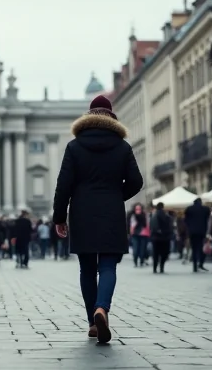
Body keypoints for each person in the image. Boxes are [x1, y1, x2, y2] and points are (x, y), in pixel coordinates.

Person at [52, 95, 144, 345]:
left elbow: (64, 185)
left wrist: (60, 217)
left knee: (86, 269)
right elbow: (137, 182)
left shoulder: (74, 146)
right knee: (107, 266)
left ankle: (92, 323)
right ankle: (102, 308)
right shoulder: (122, 146)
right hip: (111, 212)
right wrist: (117, 195)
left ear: (88, 116)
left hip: (81, 212)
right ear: (112, 116)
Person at [184, 196, 210, 273]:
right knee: (202, 248)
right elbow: (208, 219)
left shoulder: (189, 209)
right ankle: (201, 263)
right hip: (202, 231)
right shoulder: (205, 209)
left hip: (192, 232)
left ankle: (194, 266)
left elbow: (185, 220)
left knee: (194, 249)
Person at [149, 202, 173, 274]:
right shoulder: (167, 216)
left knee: (155, 253)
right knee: (164, 253)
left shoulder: (153, 216)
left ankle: (155, 268)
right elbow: (170, 227)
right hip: (165, 238)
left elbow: (152, 227)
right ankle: (161, 267)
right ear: (163, 207)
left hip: (156, 237)